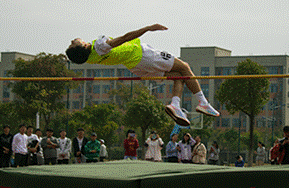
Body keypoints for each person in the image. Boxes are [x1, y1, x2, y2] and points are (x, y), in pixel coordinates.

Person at [65, 24, 220, 127]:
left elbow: (81, 44)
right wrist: (148, 28)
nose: (73, 41)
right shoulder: (98, 46)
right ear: (84, 46)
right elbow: (125, 37)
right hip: (144, 56)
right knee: (185, 67)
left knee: (179, 76)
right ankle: (202, 102)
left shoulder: (89, 57)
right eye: (73, 43)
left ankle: (175, 105)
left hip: (135, 66)